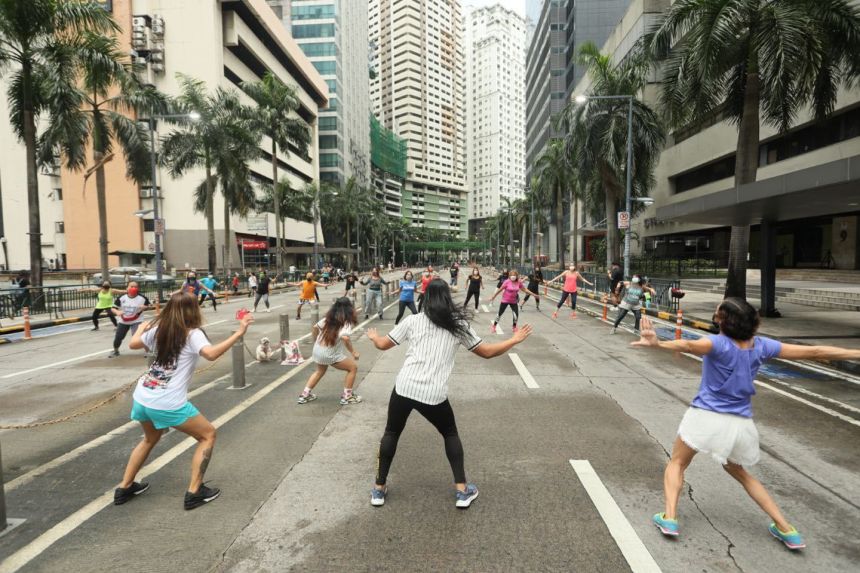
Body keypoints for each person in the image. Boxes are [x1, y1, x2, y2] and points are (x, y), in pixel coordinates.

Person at [631, 300, 860, 550]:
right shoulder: (762, 346)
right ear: (755, 322)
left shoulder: (718, 344)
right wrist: (856, 353)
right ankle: (787, 529)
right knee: (741, 473)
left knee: (677, 463)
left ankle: (670, 518)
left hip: (705, 417)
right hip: (740, 424)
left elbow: (688, 344)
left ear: (720, 321)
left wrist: (659, 343)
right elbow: (817, 353)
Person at [364, 279, 533, 508]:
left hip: (404, 387)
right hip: (433, 394)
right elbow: (487, 352)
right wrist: (513, 339)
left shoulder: (413, 321)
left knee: (392, 432)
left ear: (424, 297)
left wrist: (374, 337)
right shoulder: (458, 325)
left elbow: (383, 344)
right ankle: (462, 491)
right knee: (449, 434)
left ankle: (378, 489)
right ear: (447, 298)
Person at [114, 292, 254, 510]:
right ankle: (195, 491)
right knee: (207, 435)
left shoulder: (159, 329)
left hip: (143, 396)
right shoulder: (192, 334)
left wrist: (142, 328)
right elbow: (211, 354)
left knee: (149, 439)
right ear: (193, 310)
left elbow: (132, 344)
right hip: (167, 402)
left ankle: (124, 487)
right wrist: (240, 331)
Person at [297, 297, 361, 405]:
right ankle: (347, 396)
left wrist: (316, 341)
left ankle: (304, 395)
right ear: (349, 308)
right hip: (330, 354)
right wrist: (353, 352)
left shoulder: (328, 318)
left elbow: (315, 328)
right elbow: (345, 338)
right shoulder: (346, 322)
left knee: (319, 371)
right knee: (352, 368)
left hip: (317, 350)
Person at [109, 281, 152, 358]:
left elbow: (149, 305)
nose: (133, 288)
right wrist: (117, 312)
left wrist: (145, 307)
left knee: (140, 336)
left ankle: (148, 351)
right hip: (123, 321)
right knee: (119, 336)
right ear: (127, 288)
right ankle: (115, 351)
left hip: (137, 320)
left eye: (135, 287)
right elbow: (113, 308)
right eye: (131, 286)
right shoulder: (122, 298)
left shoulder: (142, 298)